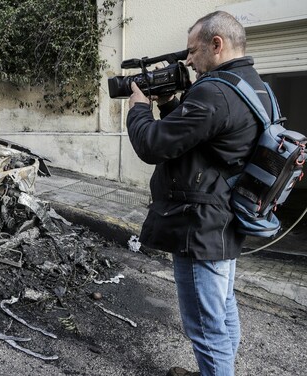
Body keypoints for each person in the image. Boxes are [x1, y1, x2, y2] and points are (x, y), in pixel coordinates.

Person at [126, 11, 272, 376]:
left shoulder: (215, 91)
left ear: (216, 45)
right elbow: (210, 144)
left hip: (200, 228)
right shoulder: (256, 87)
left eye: (192, 52)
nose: (187, 60)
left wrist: (139, 110)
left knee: (206, 329)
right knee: (222, 309)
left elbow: (153, 144)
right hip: (227, 219)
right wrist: (169, 105)